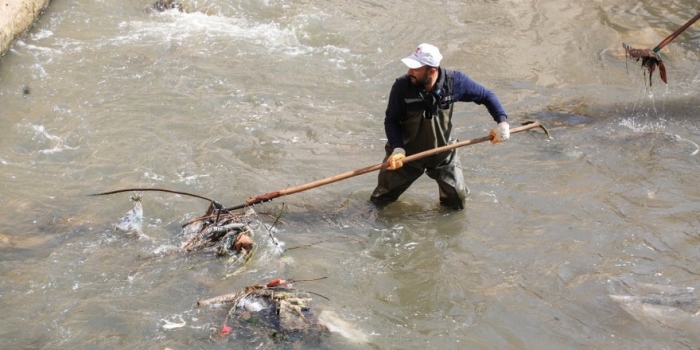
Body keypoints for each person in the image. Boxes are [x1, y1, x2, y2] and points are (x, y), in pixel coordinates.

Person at [370, 43, 510, 210]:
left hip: (443, 153)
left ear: (432, 71)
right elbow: (391, 120)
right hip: (406, 156)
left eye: (415, 69)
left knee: (457, 202)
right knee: (381, 200)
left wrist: (502, 123)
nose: (409, 72)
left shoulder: (454, 82)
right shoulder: (402, 87)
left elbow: (486, 96)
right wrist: (398, 149)